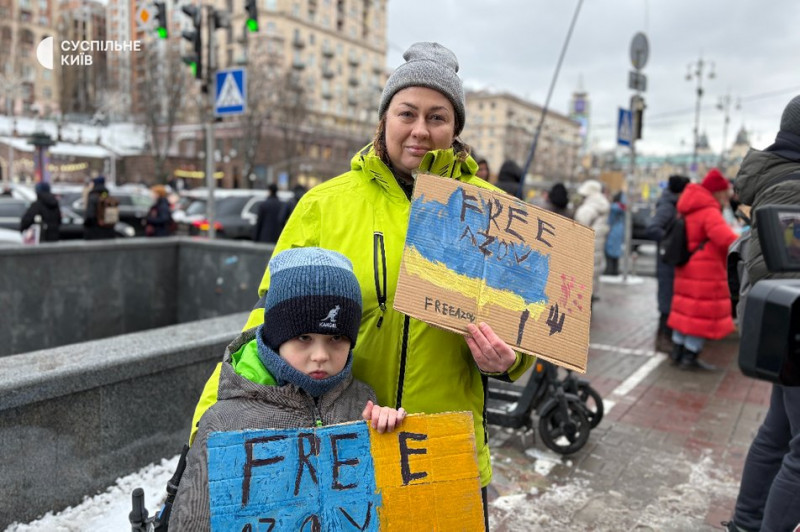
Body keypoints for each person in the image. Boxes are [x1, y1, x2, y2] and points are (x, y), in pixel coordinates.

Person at [188, 41, 534, 529]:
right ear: (384, 118)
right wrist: (208, 421)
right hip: (341, 450)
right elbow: (266, 324)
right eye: (407, 113)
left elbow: (523, 330)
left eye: (437, 117)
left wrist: (508, 361)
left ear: (455, 128)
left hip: (442, 449)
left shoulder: (494, 215)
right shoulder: (324, 205)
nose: (420, 130)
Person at [170, 248, 406, 530]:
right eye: (304, 337)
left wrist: (386, 435)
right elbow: (192, 520)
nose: (320, 355)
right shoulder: (224, 421)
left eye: (336, 338)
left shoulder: (363, 402)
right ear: (276, 338)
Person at [724, 95, 800, 532]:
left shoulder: (781, 176)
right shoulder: (794, 183)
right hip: (793, 326)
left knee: (778, 432)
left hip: (786, 326)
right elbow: (788, 265)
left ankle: (746, 521)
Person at [667, 168, 737, 370]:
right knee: (700, 313)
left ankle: (677, 352)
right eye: (725, 193)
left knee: (685, 311)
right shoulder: (709, 211)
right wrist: (744, 241)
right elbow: (725, 239)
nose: (727, 197)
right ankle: (690, 356)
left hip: (687, 266)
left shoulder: (689, 207)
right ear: (718, 192)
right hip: (705, 270)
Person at [646, 174, 690, 352]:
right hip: (666, 262)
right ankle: (663, 338)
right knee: (666, 299)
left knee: (670, 298)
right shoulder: (668, 206)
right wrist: (671, 241)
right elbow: (652, 228)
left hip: (671, 260)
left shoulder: (674, 204)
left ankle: (666, 337)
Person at [574, 179, 610, 299]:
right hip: (596, 247)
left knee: (583, 281)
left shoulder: (588, 208)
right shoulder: (601, 205)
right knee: (593, 274)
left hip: (586, 248)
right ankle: (591, 298)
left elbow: (579, 228)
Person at [83, 176, 115, 240]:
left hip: (94, 229)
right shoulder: (106, 194)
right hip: (107, 229)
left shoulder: (93, 196)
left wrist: (86, 224)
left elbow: (90, 214)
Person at [603, 192, 626, 276]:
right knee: (616, 251)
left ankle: (609, 270)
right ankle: (615, 270)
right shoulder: (623, 208)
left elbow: (610, 220)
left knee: (609, 250)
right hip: (620, 229)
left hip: (613, 230)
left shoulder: (613, 207)